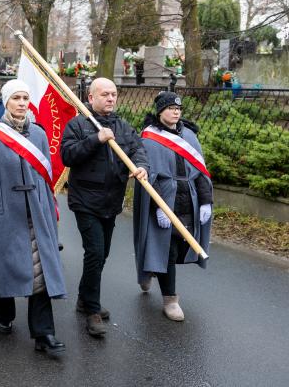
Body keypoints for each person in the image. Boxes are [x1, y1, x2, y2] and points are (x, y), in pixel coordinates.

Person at [0, 80, 66, 357]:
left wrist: (48, 209)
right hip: (4, 214)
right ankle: (3, 313)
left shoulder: (38, 134)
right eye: (16, 98)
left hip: (34, 212)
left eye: (25, 97)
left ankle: (44, 333)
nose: (22, 103)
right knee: (4, 267)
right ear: (6, 102)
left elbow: (45, 177)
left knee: (41, 272)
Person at [60, 77, 148, 337]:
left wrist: (143, 166)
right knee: (95, 252)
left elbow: (138, 150)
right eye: (105, 94)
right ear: (91, 98)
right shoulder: (77, 125)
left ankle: (84, 299)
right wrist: (95, 139)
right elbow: (67, 155)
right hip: (85, 201)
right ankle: (93, 312)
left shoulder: (123, 127)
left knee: (102, 253)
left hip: (111, 202)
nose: (111, 98)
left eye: (114, 94)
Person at [133, 91, 212, 321]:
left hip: (189, 199)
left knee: (178, 245)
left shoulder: (189, 135)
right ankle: (170, 299)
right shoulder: (148, 138)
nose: (176, 112)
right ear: (160, 111)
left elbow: (201, 172)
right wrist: (158, 206)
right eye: (170, 108)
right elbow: (149, 176)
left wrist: (206, 201)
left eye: (178, 108)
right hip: (161, 200)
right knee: (164, 248)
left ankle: (152, 269)